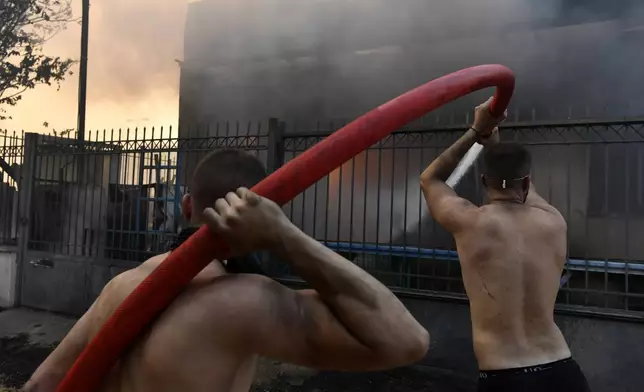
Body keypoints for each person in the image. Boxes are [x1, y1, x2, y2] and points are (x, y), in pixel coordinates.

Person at [25, 149, 429, 392]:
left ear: (187, 207)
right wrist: (283, 237)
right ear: (265, 216)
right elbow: (406, 341)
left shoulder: (122, 286)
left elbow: (42, 384)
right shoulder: (244, 301)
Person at [419, 98, 591, 391]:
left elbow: (429, 179)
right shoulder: (554, 221)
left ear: (484, 180)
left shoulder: (469, 222)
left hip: (506, 376)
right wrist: (495, 145)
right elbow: (520, 183)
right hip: (563, 370)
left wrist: (477, 132)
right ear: (526, 183)